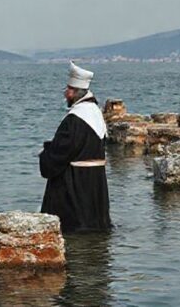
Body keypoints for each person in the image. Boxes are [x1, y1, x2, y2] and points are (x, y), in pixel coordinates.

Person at [39, 61, 111, 232]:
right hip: (96, 182)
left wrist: (46, 153)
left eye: (69, 90)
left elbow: (61, 153)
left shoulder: (76, 118)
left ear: (76, 93)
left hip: (76, 183)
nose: (66, 94)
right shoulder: (95, 113)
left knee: (73, 227)